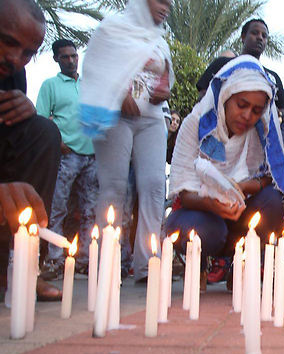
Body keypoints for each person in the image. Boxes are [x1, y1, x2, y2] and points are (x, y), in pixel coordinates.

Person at [166, 55, 284, 287]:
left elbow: (272, 177)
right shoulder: (195, 123)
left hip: (239, 213)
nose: (248, 116)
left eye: (256, 110)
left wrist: (244, 187)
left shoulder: (259, 131)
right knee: (210, 230)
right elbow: (183, 193)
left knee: (276, 202)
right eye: (242, 105)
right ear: (225, 96)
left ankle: (243, 264)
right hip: (197, 214)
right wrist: (212, 204)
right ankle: (199, 265)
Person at [79, 0, 174, 282]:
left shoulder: (159, 39)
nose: (165, 7)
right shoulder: (112, 29)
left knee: (155, 186)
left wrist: (165, 88)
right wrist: (121, 95)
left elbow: (166, 77)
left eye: (169, 3)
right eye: (159, 1)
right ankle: (105, 265)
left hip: (153, 120)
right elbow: (95, 69)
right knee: (114, 187)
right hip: (116, 118)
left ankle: (147, 266)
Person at [0, 0, 63, 301]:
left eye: (27, 53)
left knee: (43, 132)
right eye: (8, 42)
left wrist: (25, 111)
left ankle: (21, 266)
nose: (15, 58)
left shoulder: (12, 74)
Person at [36, 39, 98, 279]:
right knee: (58, 208)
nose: (71, 61)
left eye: (74, 56)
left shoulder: (88, 85)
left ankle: (84, 259)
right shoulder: (50, 85)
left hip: (92, 156)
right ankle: (54, 260)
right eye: (65, 57)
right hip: (67, 156)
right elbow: (41, 120)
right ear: (56, 59)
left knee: (90, 212)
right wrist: (59, 146)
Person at [195, 19, 284, 126]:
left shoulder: (272, 77)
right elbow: (202, 94)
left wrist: (277, 114)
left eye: (264, 36)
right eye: (255, 33)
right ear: (243, 37)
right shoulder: (222, 65)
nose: (260, 38)